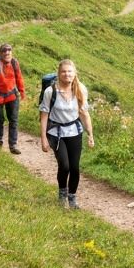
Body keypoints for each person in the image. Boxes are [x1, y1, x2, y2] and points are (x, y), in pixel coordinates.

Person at [40, 58, 95, 209]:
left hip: (74, 131)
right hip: (56, 132)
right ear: (59, 73)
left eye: (70, 71)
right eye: (64, 72)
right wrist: (44, 138)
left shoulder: (80, 89)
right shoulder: (50, 92)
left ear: (75, 73)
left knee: (75, 168)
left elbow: (84, 113)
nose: (67, 74)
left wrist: (90, 134)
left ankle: (72, 198)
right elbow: (44, 115)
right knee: (64, 166)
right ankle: (62, 193)